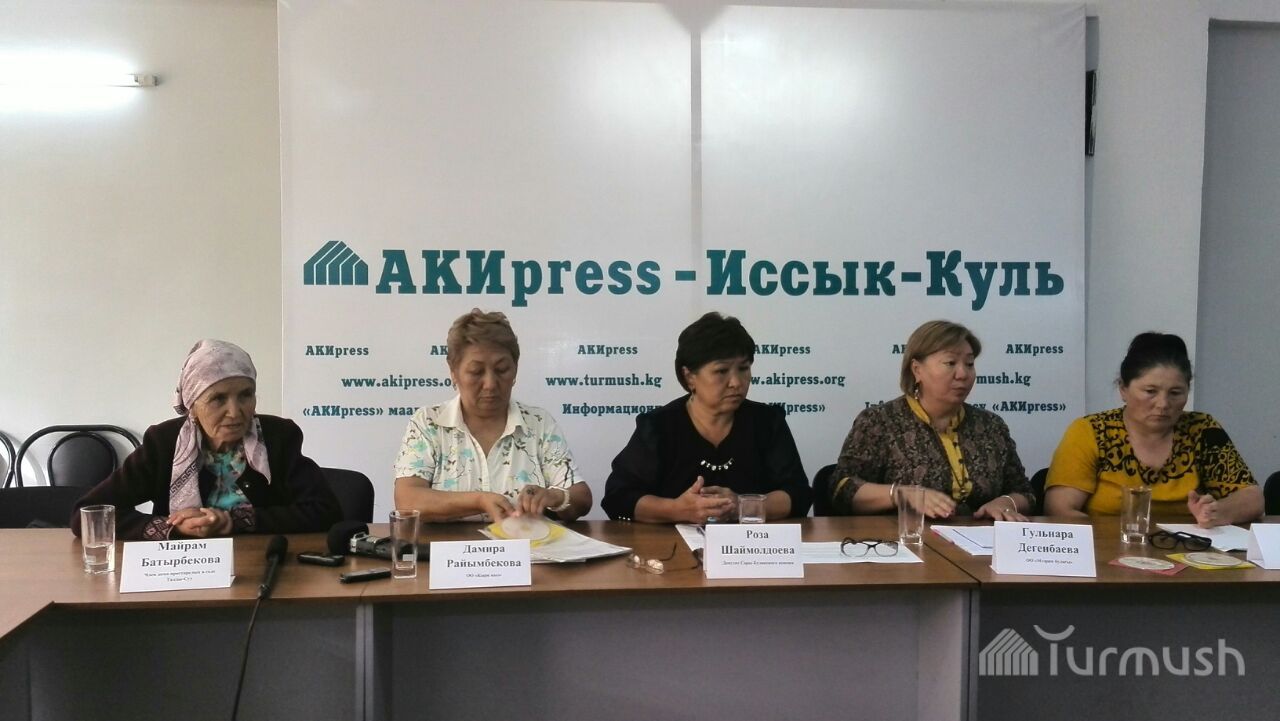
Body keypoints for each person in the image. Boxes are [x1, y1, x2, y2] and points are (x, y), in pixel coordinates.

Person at [71, 340, 341, 540]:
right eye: (218, 399)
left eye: (245, 395)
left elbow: (325, 511)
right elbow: (86, 515)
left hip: (260, 566)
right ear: (192, 406)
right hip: (180, 571)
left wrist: (235, 521)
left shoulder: (278, 436)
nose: (235, 412)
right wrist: (171, 527)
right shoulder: (163, 443)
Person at [602, 312, 811, 523]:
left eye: (743, 368)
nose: (736, 382)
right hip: (672, 542)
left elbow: (798, 494)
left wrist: (742, 506)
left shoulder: (766, 422)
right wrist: (677, 510)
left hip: (752, 542)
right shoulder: (660, 426)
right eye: (721, 371)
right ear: (689, 376)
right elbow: (618, 497)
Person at [393, 309, 592, 522]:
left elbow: (581, 496)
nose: (490, 384)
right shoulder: (428, 422)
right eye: (476, 372)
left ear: (515, 369)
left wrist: (555, 497)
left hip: (525, 543)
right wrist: (479, 500)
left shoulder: (538, 423)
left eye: (502, 369)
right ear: (454, 372)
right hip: (447, 544)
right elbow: (407, 500)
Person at [1044, 332, 1261, 526]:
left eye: (1175, 393)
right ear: (1123, 389)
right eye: (1150, 391)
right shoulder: (1091, 431)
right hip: (1111, 548)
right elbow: (1060, 510)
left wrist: (1216, 512)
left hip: (1187, 549)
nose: (1163, 404)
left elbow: (1252, 498)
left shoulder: (1202, 429)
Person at [829, 320, 1033, 520]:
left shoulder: (991, 425)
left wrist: (1006, 502)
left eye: (969, 364)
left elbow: (1025, 492)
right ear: (917, 369)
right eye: (950, 363)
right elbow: (843, 489)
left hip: (981, 538)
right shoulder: (879, 421)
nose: (963, 374)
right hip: (903, 537)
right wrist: (901, 494)